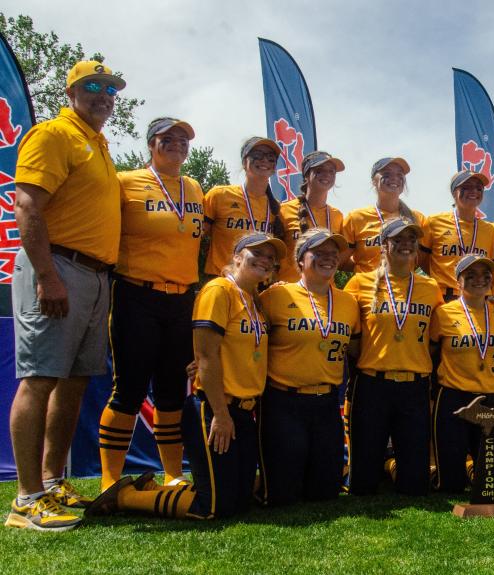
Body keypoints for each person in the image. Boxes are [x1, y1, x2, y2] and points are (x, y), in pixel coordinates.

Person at [87, 233, 284, 519]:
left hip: (242, 411)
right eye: (258, 253)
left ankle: (153, 489)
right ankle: (127, 496)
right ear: (237, 256)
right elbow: (206, 356)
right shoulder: (218, 290)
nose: (265, 260)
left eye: (271, 257)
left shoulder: (256, 301)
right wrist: (220, 413)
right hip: (215, 409)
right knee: (213, 508)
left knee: (241, 502)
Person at [7, 60, 125, 531]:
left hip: (95, 275)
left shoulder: (96, 142)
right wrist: (45, 275)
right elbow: (27, 203)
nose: (103, 94)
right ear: (71, 90)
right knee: (39, 377)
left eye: (110, 88)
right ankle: (26, 497)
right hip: (57, 265)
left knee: (74, 380)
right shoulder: (54, 133)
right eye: (92, 86)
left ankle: (53, 481)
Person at [97, 117, 204, 493]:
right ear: (151, 144)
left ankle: (172, 473)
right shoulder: (125, 182)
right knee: (128, 389)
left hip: (182, 300)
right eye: (167, 138)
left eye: (183, 139)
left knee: (173, 390)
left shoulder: (194, 188)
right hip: (136, 294)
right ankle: (110, 478)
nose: (176, 144)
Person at [258, 228, 360, 504]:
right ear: (301, 259)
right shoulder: (275, 297)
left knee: (325, 493)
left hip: (326, 403)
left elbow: (357, 349)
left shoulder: (349, 302)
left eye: (333, 254)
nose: (329, 259)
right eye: (320, 253)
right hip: (283, 401)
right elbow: (245, 337)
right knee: (282, 495)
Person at [344, 218, 444, 495]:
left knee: (415, 482)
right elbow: (350, 338)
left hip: (414, 384)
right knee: (363, 481)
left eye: (411, 240)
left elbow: (435, 338)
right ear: (383, 245)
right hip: (372, 383)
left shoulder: (430, 288)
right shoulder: (358, 283)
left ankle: (398, 471)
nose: (406, 245)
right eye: (398, 239)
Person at [429, 254, 494, 493]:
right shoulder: (443, 314)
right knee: (451, 482)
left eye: (485, 275)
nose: (479, 280)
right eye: (470, 275)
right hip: (454, 396)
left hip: (490, 397)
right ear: (458, 281)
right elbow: (431, 353)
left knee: (490, 483)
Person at [202, 137, 285, 280]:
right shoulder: (219, 195)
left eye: (270, 157)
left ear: (274, 167)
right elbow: (197, 239)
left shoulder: (276, 207)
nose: (264, 160)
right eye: (257, 155)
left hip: (258, 285)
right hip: (222, 281)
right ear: (244, 162)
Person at [421, 170, 494, 301]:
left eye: (478, 188)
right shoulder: (434, 222)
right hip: (444, 297)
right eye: (466, 187)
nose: (474, 191)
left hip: (479, 299)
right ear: (454, 192)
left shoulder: (489, 230)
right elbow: (421, 260)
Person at [342, 157, 426, 274]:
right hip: (367, 290)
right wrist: (365, 271)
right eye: (387, 173)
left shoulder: (417, 219)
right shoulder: (356, 218)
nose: (394, 178)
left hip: (404, 290)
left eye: (399, 174)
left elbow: (422, 260)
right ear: (373, 181)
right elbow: (340, 261)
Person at [276, 151, 345, 282]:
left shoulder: (337, 215)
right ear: (306, 175)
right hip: (290, 291)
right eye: (320, 170)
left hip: (326, 293)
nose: (327, 175)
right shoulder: (284, 210)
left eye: (331, 171)